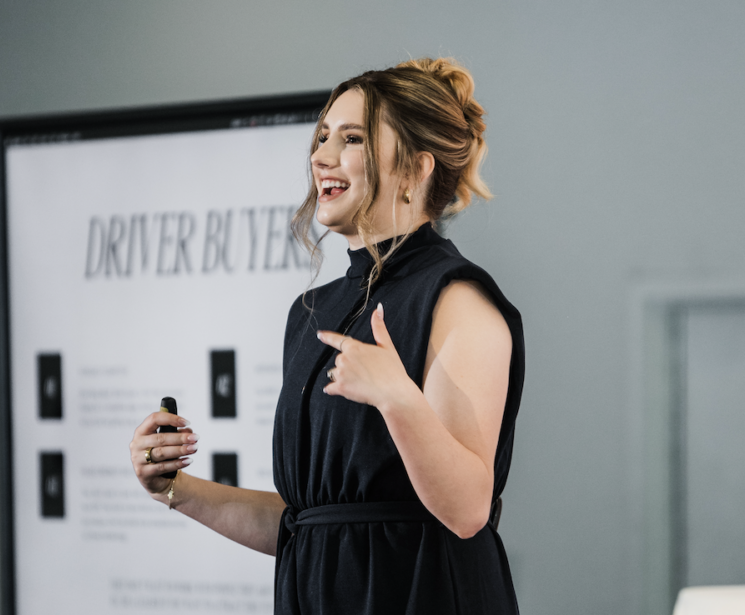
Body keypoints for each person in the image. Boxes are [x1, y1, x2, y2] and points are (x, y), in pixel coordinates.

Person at [129, 57, 525, 615]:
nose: (321, 155)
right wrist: (174, 488)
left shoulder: (458, 299)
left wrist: (397, 397)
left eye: (352, 138)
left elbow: (466, 509)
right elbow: (308, 524)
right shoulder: (314, 310)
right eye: (321, 136)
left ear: (415, 169)